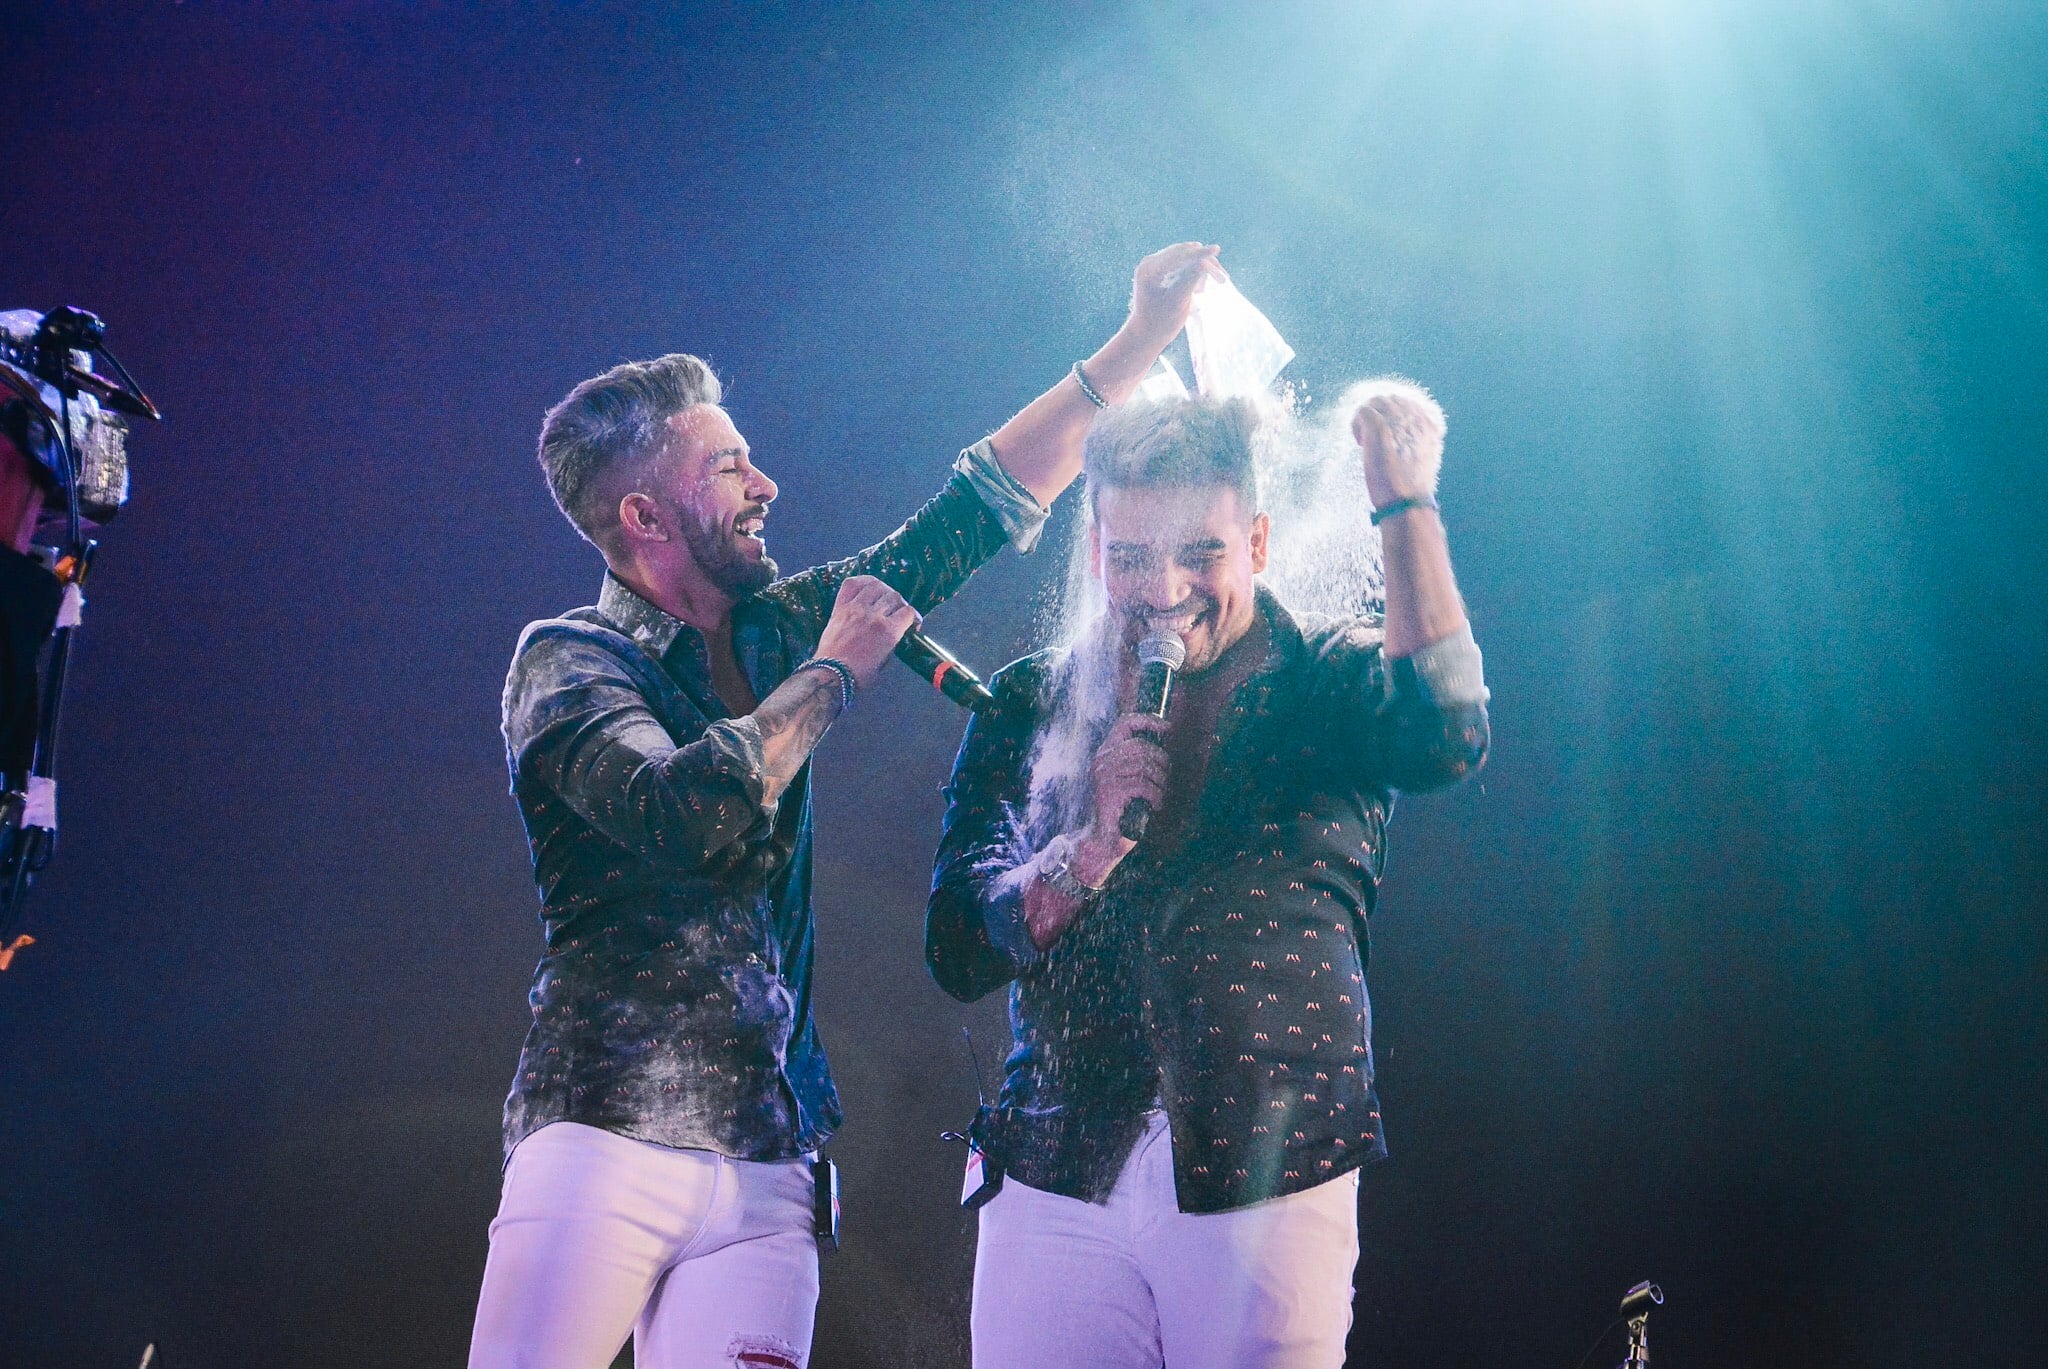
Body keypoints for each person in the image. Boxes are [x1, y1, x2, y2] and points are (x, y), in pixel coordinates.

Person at [468, 243, 1227, 1369]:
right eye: (728, 467)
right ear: (644, 516)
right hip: (606, 1134)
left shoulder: (777, 623)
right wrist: (833, 675)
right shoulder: (568, 663)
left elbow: (969, 512)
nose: (764, 484)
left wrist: (1138, 343)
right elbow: (684, 809)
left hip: (770, 1156)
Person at [926, 384, 1491, 1368]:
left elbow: (1444, 735)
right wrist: (1086, 848)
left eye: (1201, 552)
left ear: (1257, 542)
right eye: (1134, 555)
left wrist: (1405, 504)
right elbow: (957, 946)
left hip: (1264, 1161)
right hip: (1056, 1160)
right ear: (1096, 550)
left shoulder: (1326, 675)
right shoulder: (1029, 700)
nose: (1164, 586)